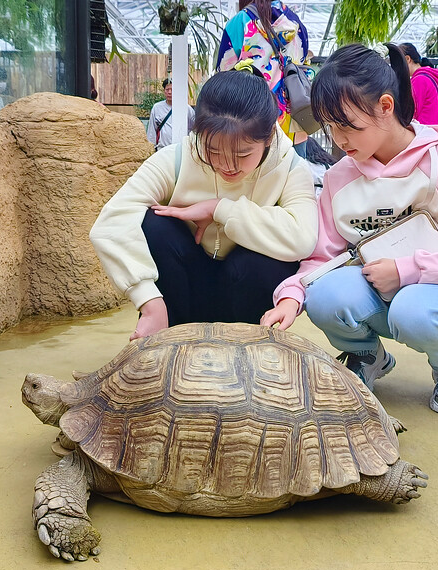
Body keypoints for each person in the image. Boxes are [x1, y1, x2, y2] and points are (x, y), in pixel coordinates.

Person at [261, 43, 438, 416]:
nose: (339, 140)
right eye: (330, 127)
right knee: (325, 296)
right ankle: (368, 356)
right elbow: (321, 258)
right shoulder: (339, 178)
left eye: (348, 125)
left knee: (414, 311)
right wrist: (292, 295)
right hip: (377, 292)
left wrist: (408, 270)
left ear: (386, 107)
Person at [90, 66, 318, 340]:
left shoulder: (291, 167)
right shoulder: (176, 159)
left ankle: (248, 344)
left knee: (271, 257)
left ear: (269, 136)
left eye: (242, 153)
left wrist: (218, 209)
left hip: (246, 304)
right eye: (213, 150)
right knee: (155, 223)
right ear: (198, 132)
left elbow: (303, 238)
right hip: (184, 297)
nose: (226, 165)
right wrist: (148, 300)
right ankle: (166, 327)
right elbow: (110, 224)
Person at [216, 0, 310, 157]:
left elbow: (224, 72)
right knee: (294, 176)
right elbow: (304, 67)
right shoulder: (296, 23)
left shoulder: (240, 22)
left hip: (250, 119)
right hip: (294, 123)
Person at [398, 43, 438, 126]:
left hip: (420, 131)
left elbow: (412, 112)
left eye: (399, 63)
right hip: (429, 131)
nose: (399, 68)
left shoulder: (419, 80)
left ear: (408, 59)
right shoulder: (429, 77)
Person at [146, 78, 196, 151]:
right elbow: (152, 130)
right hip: (162, 149)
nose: (169, 92)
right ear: (164, 91)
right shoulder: (157, 108)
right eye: (167, 89)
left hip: (181, 149)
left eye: (172, 90)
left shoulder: (186, 108)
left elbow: (194, 128)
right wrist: (150, 148)